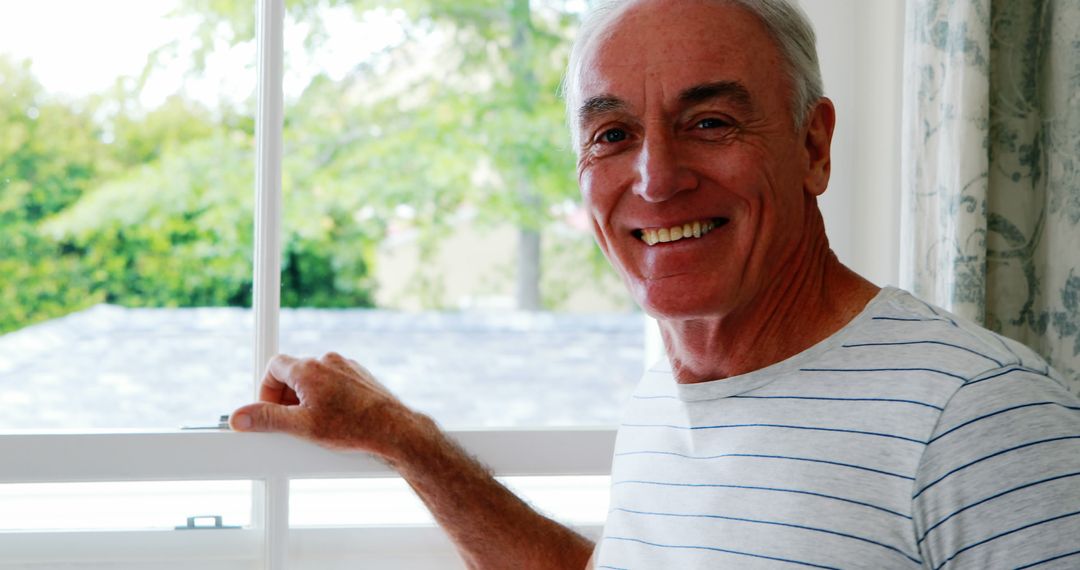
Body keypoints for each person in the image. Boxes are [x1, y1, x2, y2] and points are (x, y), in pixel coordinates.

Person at [231, 0, 1080, 567]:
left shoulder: (978, 419)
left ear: (813, 146)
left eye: (709, 123)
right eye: (612, 134)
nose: (658, 177)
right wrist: (403, 440)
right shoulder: (663, 400)